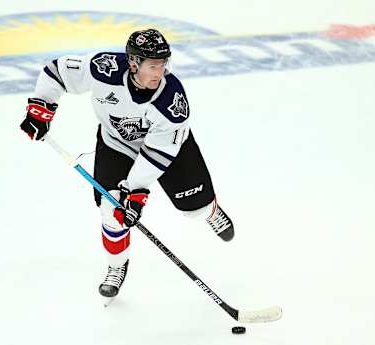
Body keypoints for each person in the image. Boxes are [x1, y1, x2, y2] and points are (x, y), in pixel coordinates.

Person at [20, 28, 234, 302]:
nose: (160, 72)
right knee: (112, 211)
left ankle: (210, 210)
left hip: (168, 149)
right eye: (153, 65)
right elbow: (57, 71)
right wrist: (42, 106)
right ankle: (116, 264)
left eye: (163, 64)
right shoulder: (104, 68)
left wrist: (136, 190)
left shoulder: (172, 102)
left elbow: (158, 155)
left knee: (195, 208)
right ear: (133, 63)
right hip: (116, 143)